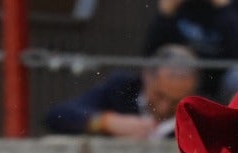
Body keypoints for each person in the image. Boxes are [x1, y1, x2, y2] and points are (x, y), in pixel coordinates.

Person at [44, 45, 199, 138]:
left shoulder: (198, 114)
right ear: (146, 76)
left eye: (175, 102)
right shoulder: (122, 89)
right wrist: (106, 122)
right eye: (159, 95)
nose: (163, 107)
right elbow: (57, 116)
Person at [144, 0, 238, 97]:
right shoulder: (179, 5)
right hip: (182, 76)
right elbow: (151, 55)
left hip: (221, 77)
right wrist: (165, 13)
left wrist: (223, 8)